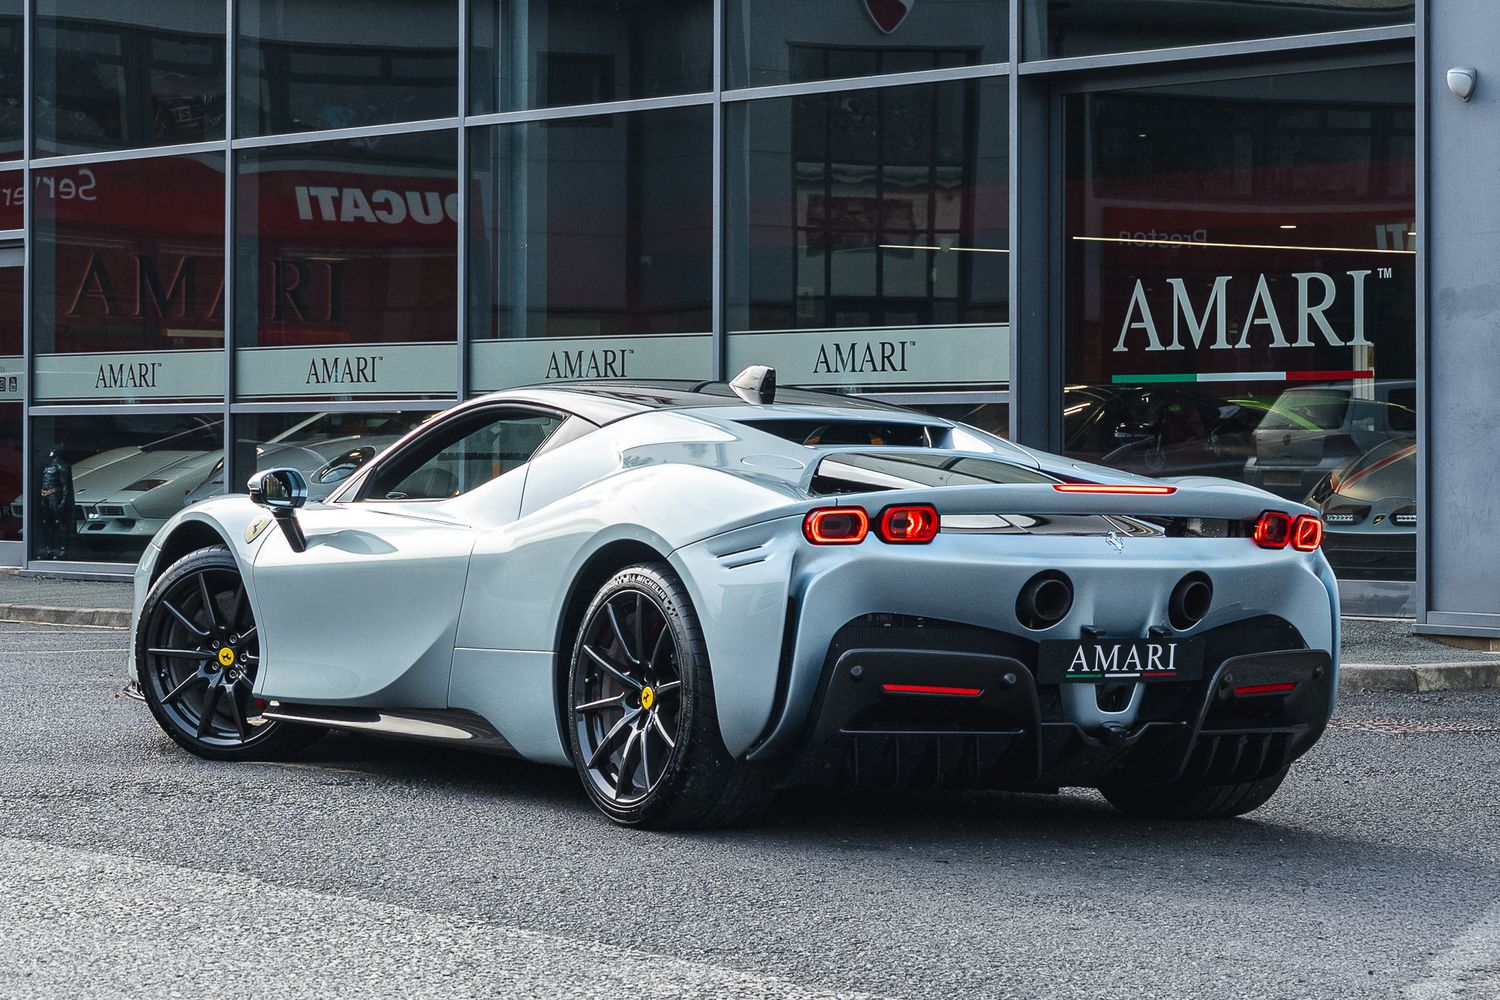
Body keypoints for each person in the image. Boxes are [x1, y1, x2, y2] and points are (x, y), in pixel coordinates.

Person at [38, 447, 74, 559]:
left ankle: (62, 550)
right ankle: (48, 549)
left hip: (55, 496)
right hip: (45, 496)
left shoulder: (62, 466)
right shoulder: (48, 466)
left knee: (59, 522)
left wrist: (63, 501)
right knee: (46, 523)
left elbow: (66, 486)